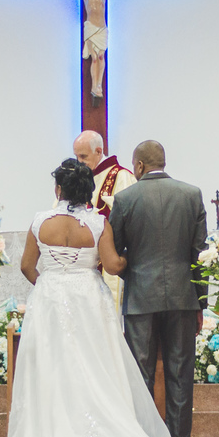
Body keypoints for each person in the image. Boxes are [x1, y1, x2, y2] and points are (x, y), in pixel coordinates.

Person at [5, 159, 219, 437]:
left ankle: (49, 434)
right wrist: (128, 258)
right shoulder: (97, 224)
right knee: (95, 365)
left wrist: (48, 285)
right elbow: (113, 265)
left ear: (58, 189)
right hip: (88, 300)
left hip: (50, 301)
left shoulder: (39, 222)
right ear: (87, 191)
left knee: (52, 364)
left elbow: (27, 266)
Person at [109, 141, 207, 437]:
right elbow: (200, 254)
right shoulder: (191, 194)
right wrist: (200, 303)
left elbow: (115, 252)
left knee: (141, 376)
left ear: (139, 165)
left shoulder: (125, 199)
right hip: (183, 296)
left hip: (140, 298)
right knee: (181, 373)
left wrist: (135, 271)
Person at [42, 0, 141, 99]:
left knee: (101, 56)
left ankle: (99, 85)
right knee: (94, 58)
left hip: (101, 28)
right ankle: (94, 86)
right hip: (90, 27)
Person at [73, 129, 135, 309]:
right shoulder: (75, 180)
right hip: (81, 265)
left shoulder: (122, 177)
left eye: (83, 156)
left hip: (110, 263)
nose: (79, 162)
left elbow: (131, 221)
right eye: (76, 156)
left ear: (99, 151)